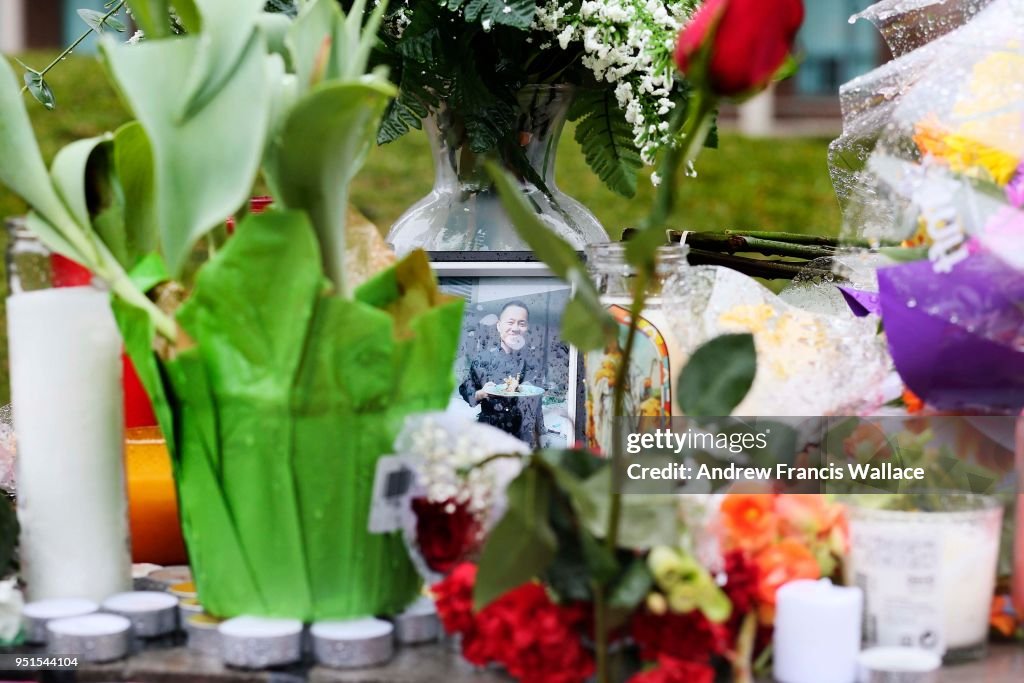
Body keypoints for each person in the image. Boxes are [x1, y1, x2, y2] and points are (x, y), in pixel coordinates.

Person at [459, 301, 546, 447]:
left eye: (521, 323)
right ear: (499, 326)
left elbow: (537, 405)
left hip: (522, 438)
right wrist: (481, 393)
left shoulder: (533, 362)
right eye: (510, 322)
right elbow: (466, 391)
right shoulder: (483, 359)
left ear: (527, 328)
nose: (515, 328)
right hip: (489, 436)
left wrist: (541, 433)